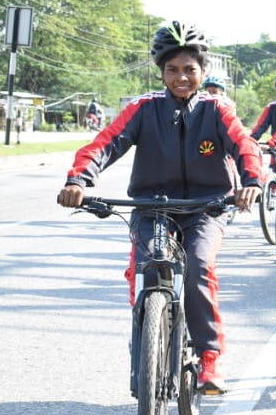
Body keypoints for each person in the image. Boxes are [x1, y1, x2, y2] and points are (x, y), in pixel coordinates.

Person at [56, 21, 265, 393]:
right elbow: (105, 144)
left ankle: (209, 358)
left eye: (189, 69)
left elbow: (245, 145)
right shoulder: (144, 108)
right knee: (145, 271)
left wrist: (251, 182)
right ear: (161, 71)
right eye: (172, 69)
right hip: (152, 207)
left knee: (199, 267)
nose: (181, 77)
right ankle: (145, 357)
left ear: (203, 71)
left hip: (206, 207)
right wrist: (79, 180)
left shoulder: (217, 109)